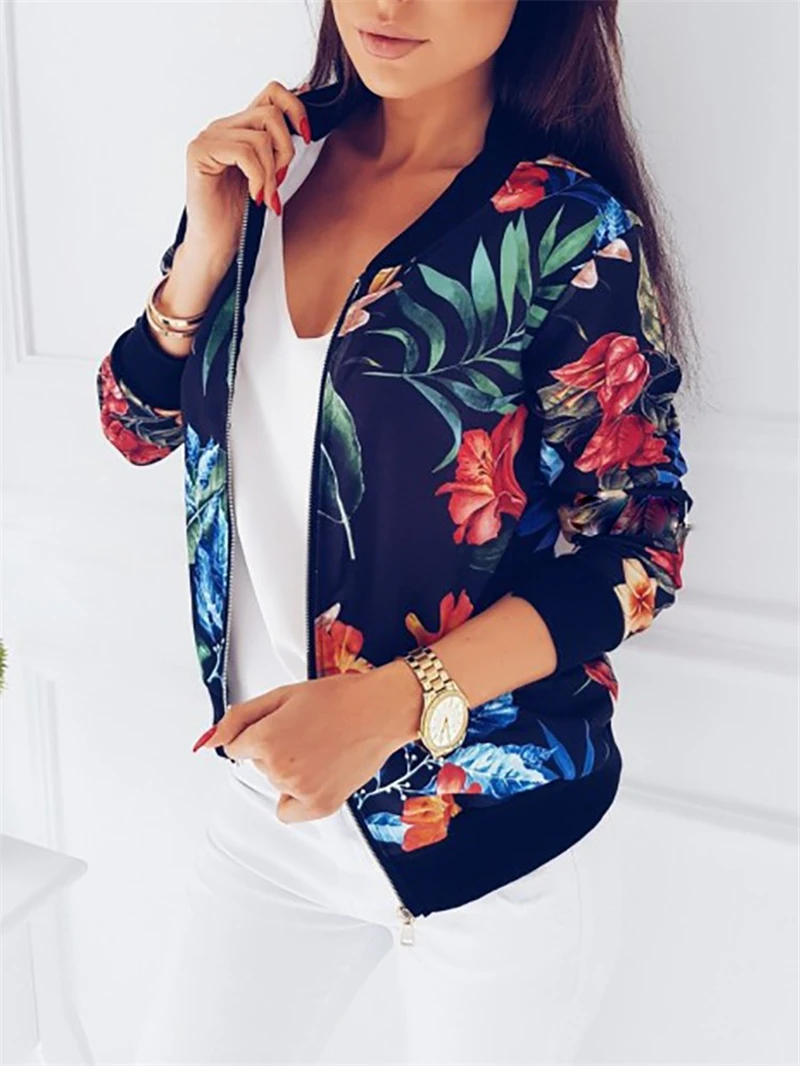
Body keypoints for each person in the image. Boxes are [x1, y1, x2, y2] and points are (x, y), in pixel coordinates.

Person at [96, 1, 696, 1063]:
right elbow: (134, 425)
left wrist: (388, 705)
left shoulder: (561, 229)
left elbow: (638, 554)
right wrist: (201, 252)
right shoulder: (269, 166)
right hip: (272, 810)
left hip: (493, 832)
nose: (387, 4)